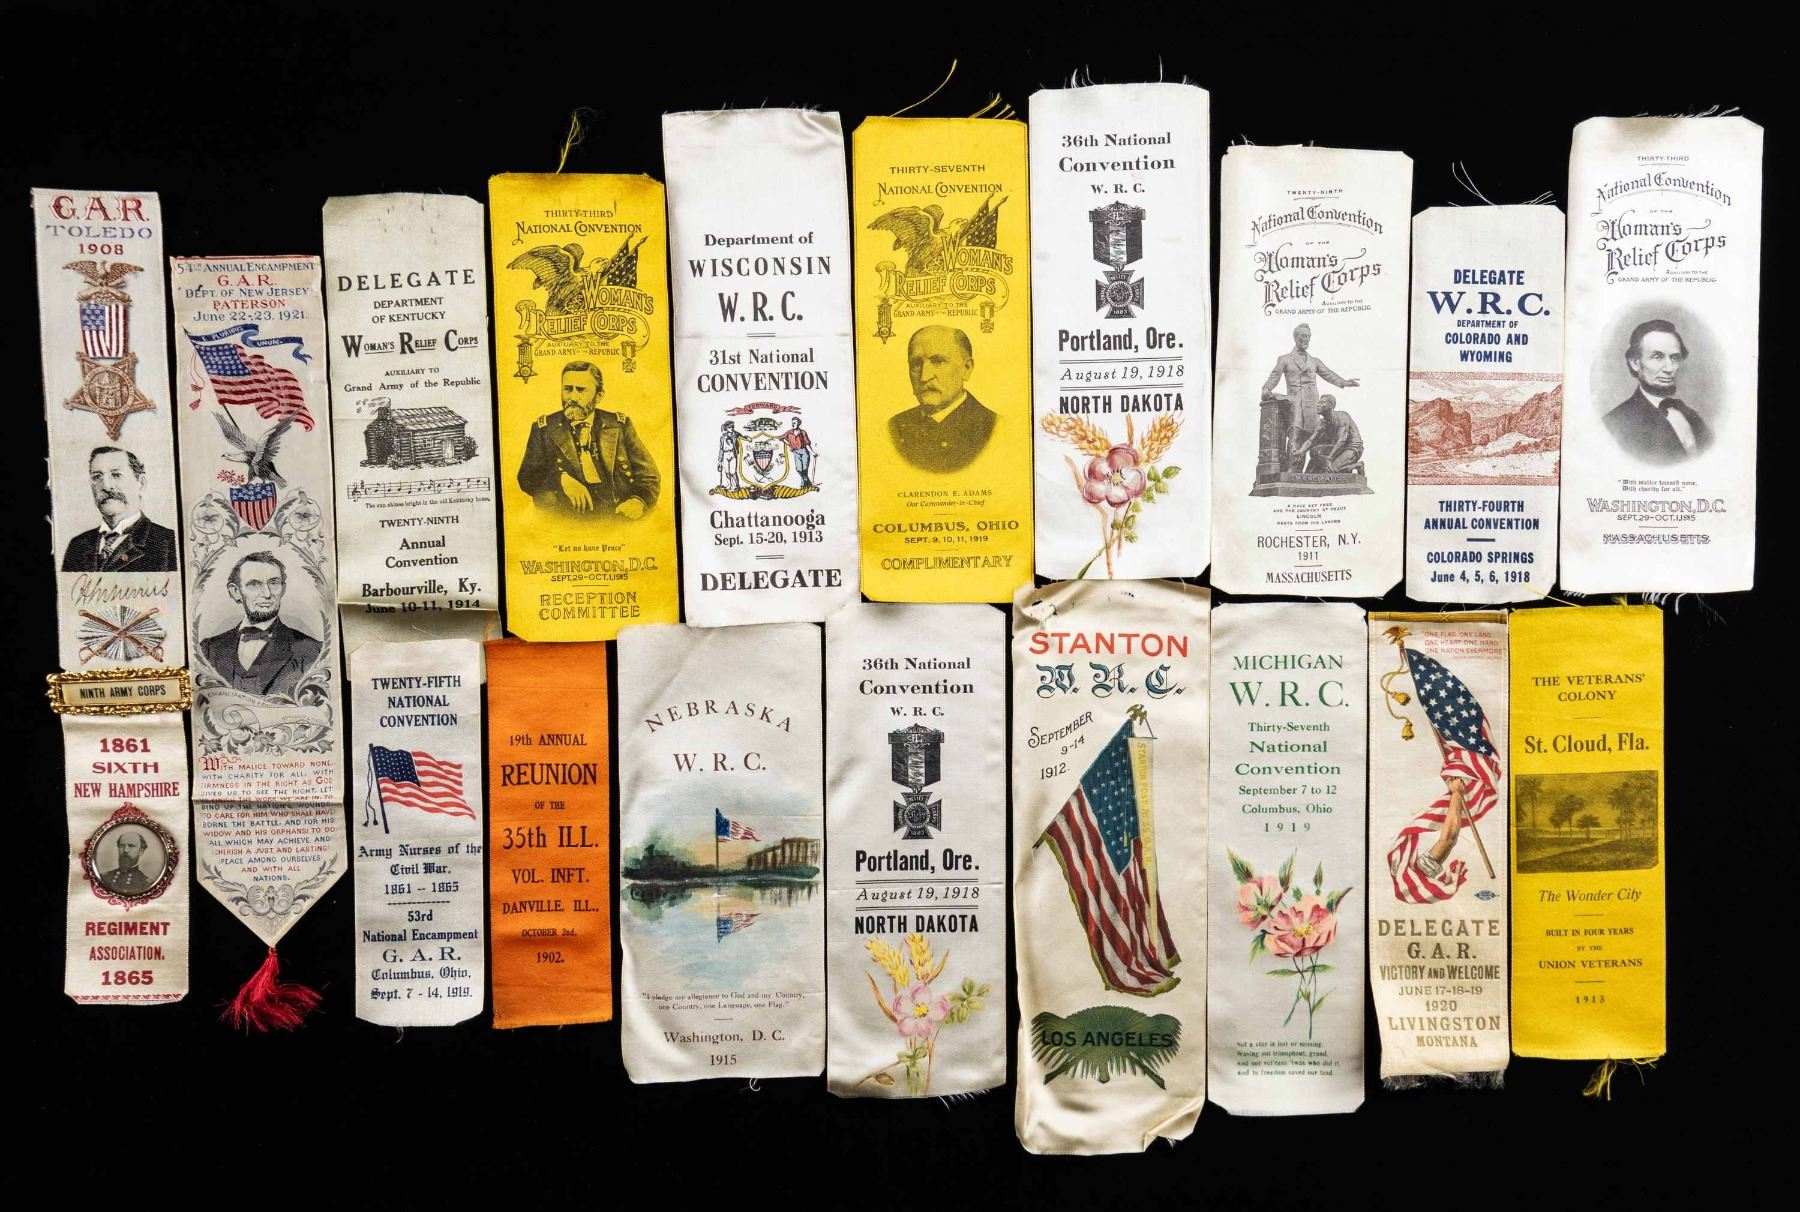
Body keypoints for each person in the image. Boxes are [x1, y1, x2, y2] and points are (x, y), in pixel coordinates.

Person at [516, 361, 659, 519]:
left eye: (581, 390)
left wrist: (638, 501)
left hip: (618, 515)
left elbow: (649, 476)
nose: (573, 397)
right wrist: (561, 478)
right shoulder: (544, 428)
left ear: (598, 396)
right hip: (567, 519)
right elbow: (526, 476)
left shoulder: (619, 425)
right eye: (568, 389)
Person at [199, 551, 322, 698]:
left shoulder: (313, 651)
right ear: (236, 591)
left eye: (274, 583)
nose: (267, 594)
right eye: (254, 584)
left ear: (283, 588)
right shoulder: (208, 650)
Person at [888, 325, 996, 474]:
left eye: (938, 361)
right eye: (916, 364)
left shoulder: (992, 428)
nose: (924, 376)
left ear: (966, 368)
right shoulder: (894, 427)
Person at [1603, 319, 1713, 464]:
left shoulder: (1691, 416)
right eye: (1657, 357)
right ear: (1635, 363)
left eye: (1674, 358)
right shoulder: (1614, 424)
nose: (1669, 368)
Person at [61, 446, 178, 572]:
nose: (106, 486)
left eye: (116, 475)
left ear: (141, 483)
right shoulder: (77, 546)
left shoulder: (168, 543)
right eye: (97, 477)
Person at [1261, 323, 1358, 458]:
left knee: (1312, 437)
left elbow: (1328, 374)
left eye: (1308, 336)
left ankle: (1314, 465)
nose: (1306, 339)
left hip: (1312, 405)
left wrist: (1344, 382)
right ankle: (1292, 467)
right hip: (1295, 403)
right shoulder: (1284, 359)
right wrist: (1266, 388)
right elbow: (1274, 377)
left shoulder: (1314, 361)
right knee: (1295, 434)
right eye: (1303, 336)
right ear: (1295, 337)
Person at [1291, 396, 1364, 473]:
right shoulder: (1322, 423)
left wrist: (1329, 459)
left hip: (1351, 448)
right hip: (1337, 448)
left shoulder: (1342, 417)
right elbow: (1311, 441)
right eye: (1318, 403)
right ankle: (1338, 466)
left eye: (1322, 403)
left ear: (1331, 405)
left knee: (1330, 471)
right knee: (1314, 451)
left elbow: (1341, 441)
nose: (1318, 405)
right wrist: (1300, 452)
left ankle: (1357, 465)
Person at [98, 829, 155, 896]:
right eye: (122, 846)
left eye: (131, 846)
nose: (125, 850)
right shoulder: (104, 877)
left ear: (141, 851)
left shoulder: (146, 884)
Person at [782, 415, 816, 487]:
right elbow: (782, 438)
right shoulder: (789, 432)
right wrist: (790, 445)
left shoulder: (803, 432)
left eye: (794, 423)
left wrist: (812, 453)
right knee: (798, 469)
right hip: (796, 452)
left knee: (805, 468)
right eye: (792, 423)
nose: (793, 424)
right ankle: (807, 481)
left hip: (804, 452)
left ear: (799, 424)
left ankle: (803, 484)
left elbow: (807, 444)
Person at [717, 421, 740, 492]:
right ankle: (729, 485)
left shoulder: (735, 434)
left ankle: (736, 486)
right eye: (729, 427)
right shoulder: (723, 437)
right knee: (727, 472)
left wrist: (747, 438)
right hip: (725, 454)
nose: (731, 428)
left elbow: (741, 436)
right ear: (726, 428)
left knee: (733, 472)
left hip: (732, 454)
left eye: (732, 427)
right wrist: (719, 461)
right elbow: (721, 449)